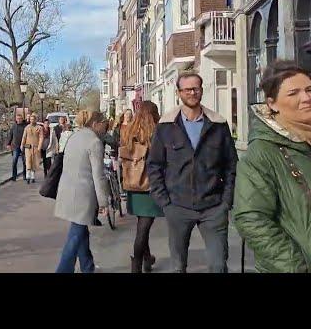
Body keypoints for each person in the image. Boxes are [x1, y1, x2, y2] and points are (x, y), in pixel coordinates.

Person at [147, 71, 237, 273]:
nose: (192, 92)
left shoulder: (218, 125)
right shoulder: (166, 127)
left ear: (202, 90)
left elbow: (231, 166)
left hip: (213, 208)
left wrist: (226, 201)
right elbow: (154, 165)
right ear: (179, 93)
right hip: (177, 206)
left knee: (218, 265)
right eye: (187, 89)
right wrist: (165, 202)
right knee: (178, 266)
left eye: (196, 88)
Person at [234, 60, 311, 272]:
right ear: (272, 104)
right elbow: (251, 218)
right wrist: (296, 266)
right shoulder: (261, 154)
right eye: (293, 93)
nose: (306, 98)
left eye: (309, 89)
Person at [54, 110, 109, 273]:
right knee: (75, 236)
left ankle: (88, 267)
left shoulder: (74, 137)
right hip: (83, 195)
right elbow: (98, 175)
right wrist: (104, 201)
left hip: (67, 190)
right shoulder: (94, 142)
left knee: (81, 232)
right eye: (103, 123)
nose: (105, 126)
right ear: (95, 124)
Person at [119, 100, 163, 273]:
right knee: (143, 227)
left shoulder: (129, 131)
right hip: (150, 185)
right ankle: (136, 264)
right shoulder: (156, 132)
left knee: (142, 223)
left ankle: (147, 258)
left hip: (133, 184)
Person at [21, 113, 43, 184]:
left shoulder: (39, 128)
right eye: (31, 119)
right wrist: (22, 145)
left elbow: (41, 137)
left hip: (36, 146)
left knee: (34, 161)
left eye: (33, 119)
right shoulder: (27, 127)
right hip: (28, 146)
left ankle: (33, 176)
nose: (32, 120)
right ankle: (28, 175)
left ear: (35, 120)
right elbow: (24, 137)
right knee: (28, 160)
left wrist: (39, 146)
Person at [7, 113, 27, 181]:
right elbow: (10, 135)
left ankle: (25, 175)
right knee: (14, 161)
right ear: (16, 119)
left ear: (22, 119)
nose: (19, 120)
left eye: (20, 119)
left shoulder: (25, 126)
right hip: (15, 146)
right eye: (17, 119)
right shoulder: (14, 126)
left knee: (24, 161)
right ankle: (14, 176)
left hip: (24, 146)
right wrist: (8, 143)